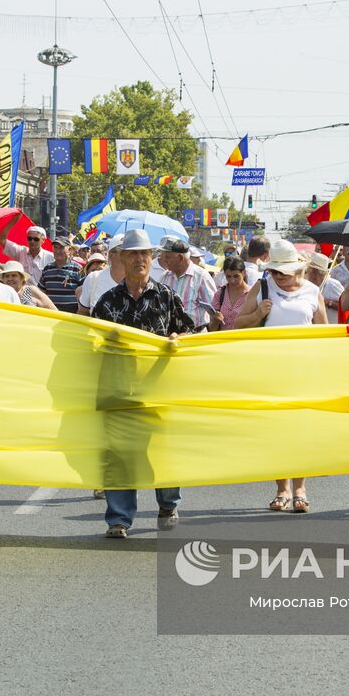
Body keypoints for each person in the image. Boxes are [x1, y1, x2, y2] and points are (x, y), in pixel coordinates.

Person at [90, 229, 195, 538]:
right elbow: (92, 343)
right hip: (118, 389)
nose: (139, 259)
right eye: (133, 254)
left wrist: (178, 338)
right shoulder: (107, 302)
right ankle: (119, 519)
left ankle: (168, 503)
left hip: (158, 389)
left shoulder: (165, 296)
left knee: (162, 450)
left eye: (144, 254)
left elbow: (189, 331)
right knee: (119, 454)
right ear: (121, 258)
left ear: (152, 259)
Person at [235, 240, 327, 513]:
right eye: (274, 272)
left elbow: (325, 332)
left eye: (283, 272)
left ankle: (300, 487)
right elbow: (238, 323)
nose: (278, 277)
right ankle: (282, 488)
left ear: (297, 269)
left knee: (301, 430)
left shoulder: (312, 291)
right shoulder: (261, 288)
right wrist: (257, 314)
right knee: (276, 431)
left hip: (303, 371)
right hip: (270, 371)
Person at [156, 237, 218, 331]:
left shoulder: (201, 277)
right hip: (170, 337)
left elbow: (214, 310)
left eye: (167, 257)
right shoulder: (164, 277)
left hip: (194, 338)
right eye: (163, 257)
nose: (164, 260)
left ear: (180, 258)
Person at [37, 238, 83, 313]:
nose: (58, 251)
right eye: (55, 247)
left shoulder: (78, 268)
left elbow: (84, 293)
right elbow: (41, 291)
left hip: (72, 315)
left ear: (70, 250)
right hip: (51, 314)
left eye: (61, 248)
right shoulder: (47, 269)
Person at [209, 255, 253, 332]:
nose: (232, 280)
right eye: (228, 276)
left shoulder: (252, 294)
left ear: (244, 273)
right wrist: (216, 321)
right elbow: (212, 329)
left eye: (236, 276)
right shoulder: (220, 293)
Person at [78, 247, 125, 316]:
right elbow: (82, 313)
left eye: (100, 268)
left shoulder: (138, 280)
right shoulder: (92, 278)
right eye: (93, 270)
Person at [303, 252, 344, 322]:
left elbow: (345, 307)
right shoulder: (307, 284)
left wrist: (328, 303)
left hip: (331, 328)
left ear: (315, 271)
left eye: (307, 269)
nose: (304, 272)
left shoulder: (333, 285)